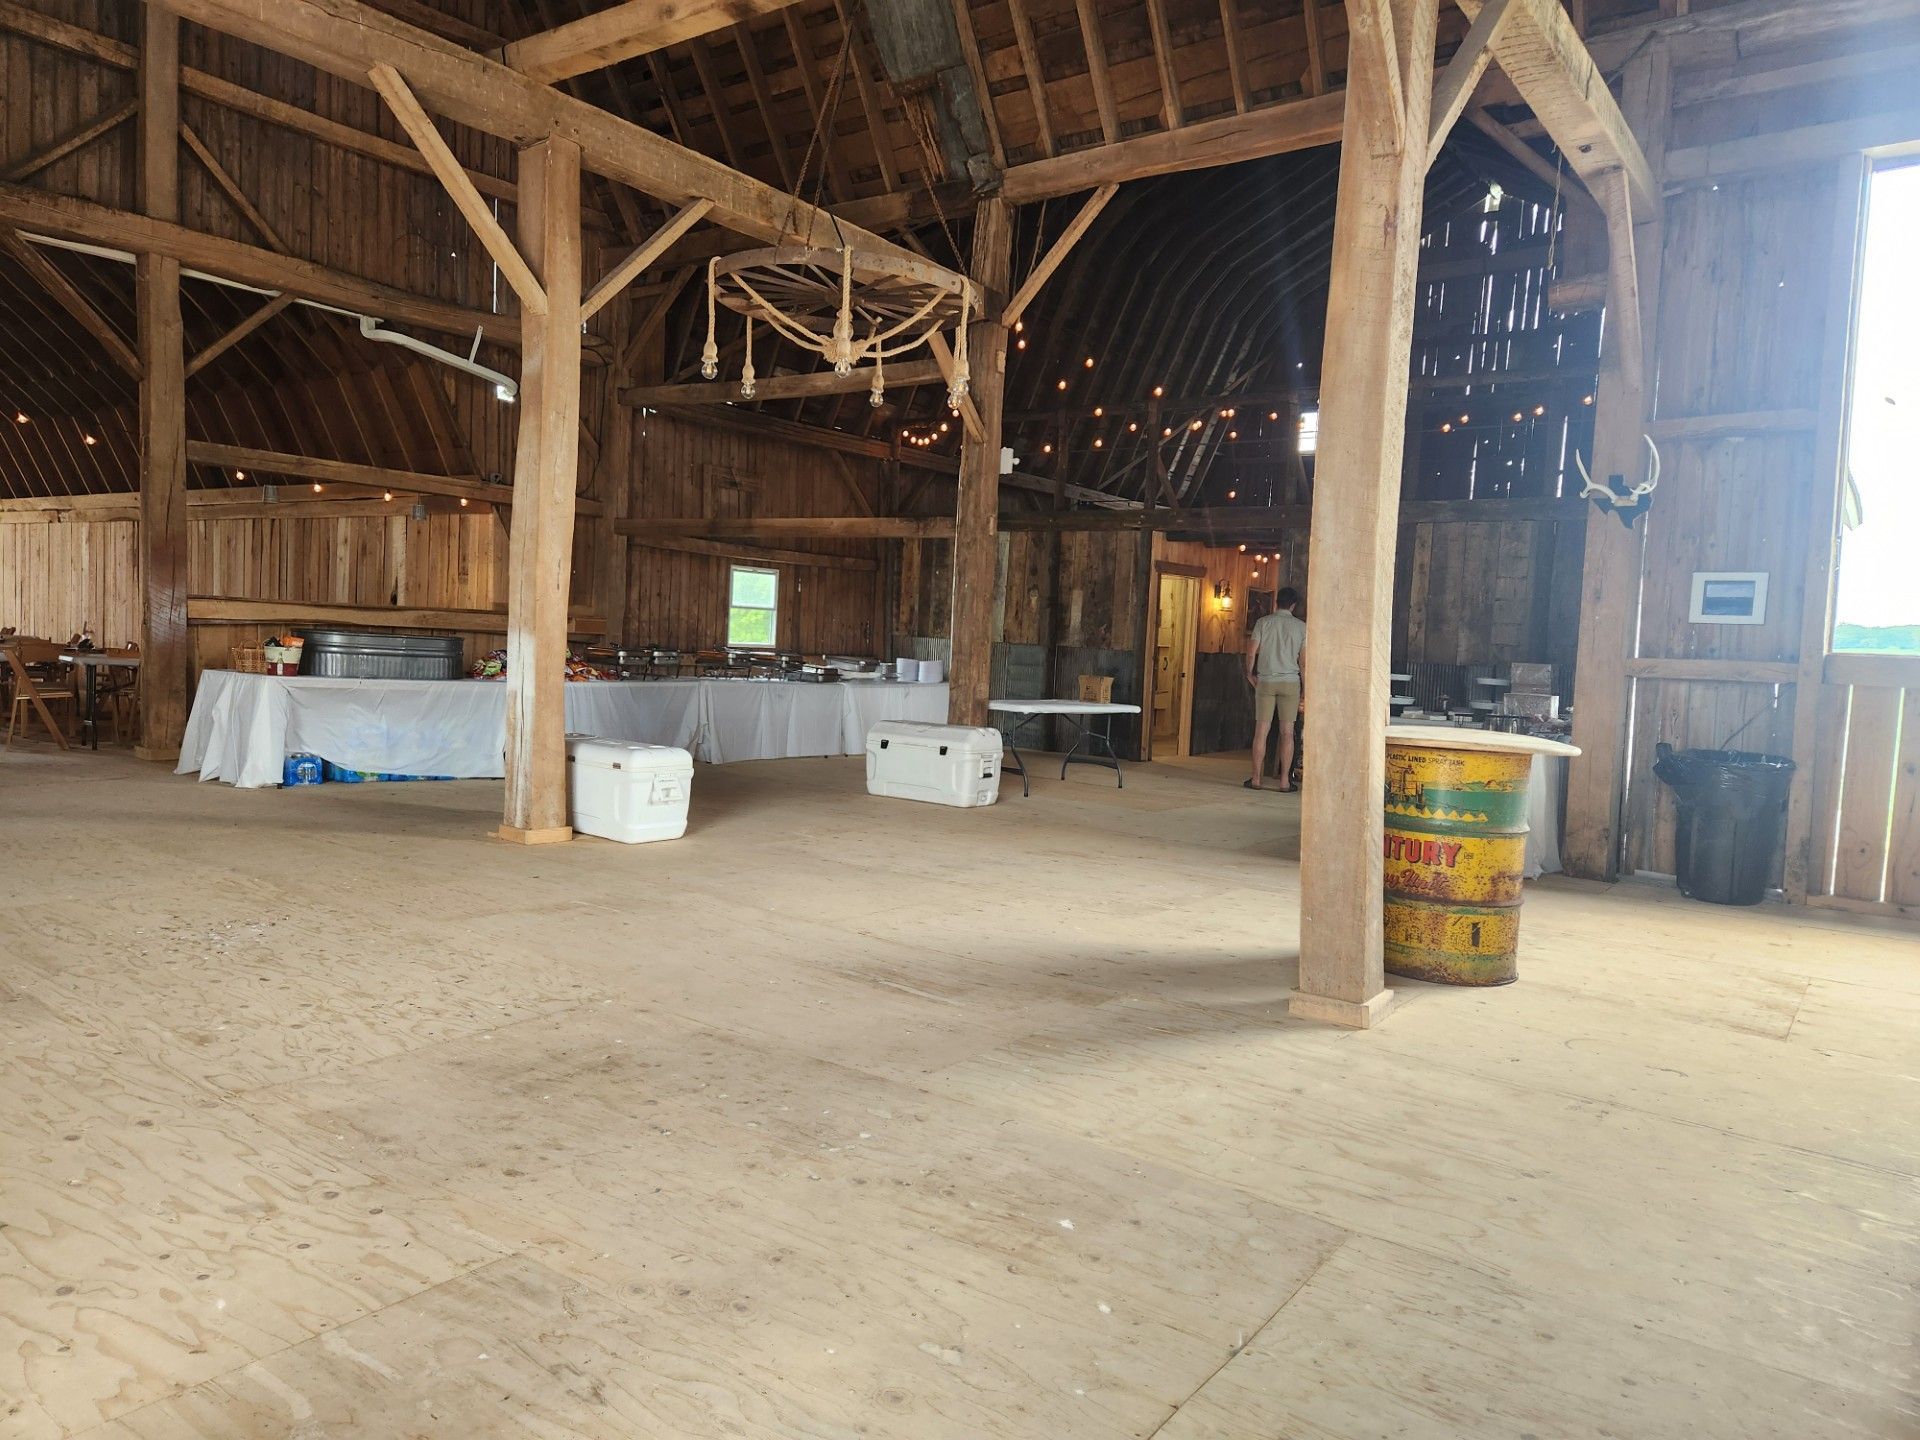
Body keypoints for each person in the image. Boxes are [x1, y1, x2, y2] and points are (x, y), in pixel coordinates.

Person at [1244, 587, 1305, 792]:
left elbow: (1251, 652)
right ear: (1293, 605)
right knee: (1287, 732)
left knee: (1261, 730)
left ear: (1276, 602)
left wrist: (1249, 673)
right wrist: (1304, 691)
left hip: (1266, 681)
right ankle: (1285, 781)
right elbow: (1304, 663)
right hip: (1290, 682)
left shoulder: (1263, 623)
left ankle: (1256, 779)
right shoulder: (1301, 627)